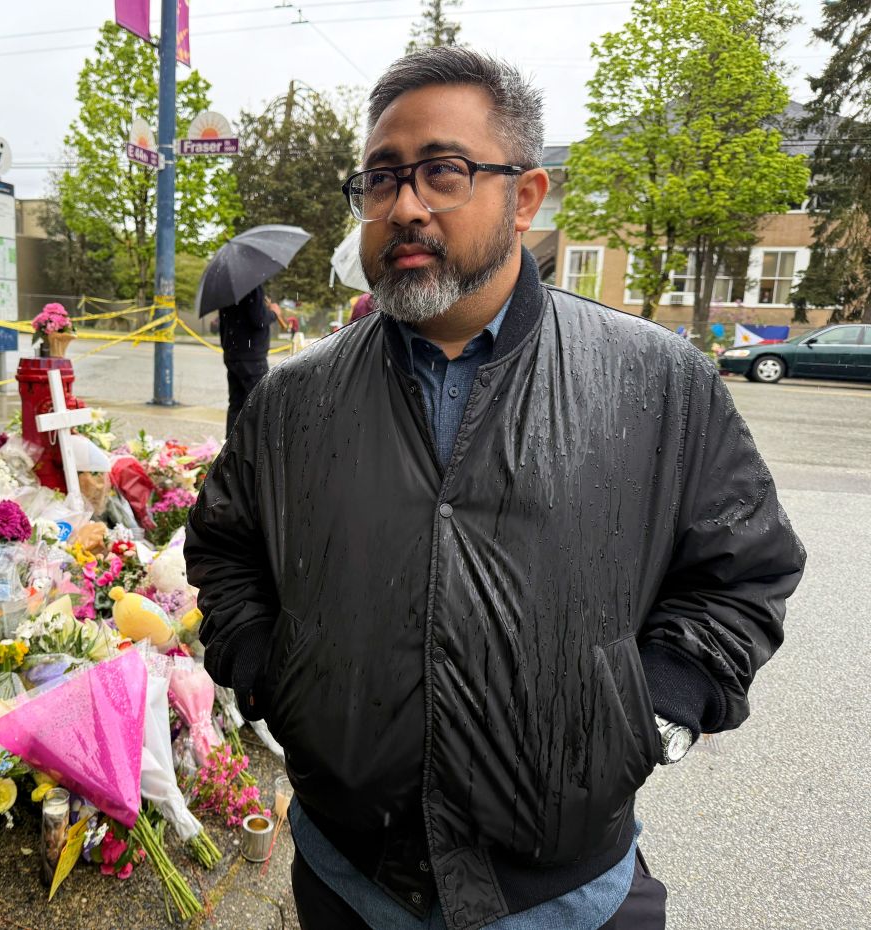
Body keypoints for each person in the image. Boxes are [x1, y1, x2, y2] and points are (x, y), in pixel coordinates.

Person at [186, 47, 804, 930]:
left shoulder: (654, 382)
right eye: (381, 179)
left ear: (523, 197)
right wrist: (270, 678)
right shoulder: (295, 399)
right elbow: (225, 550)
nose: (404, 206)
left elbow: (743, 569)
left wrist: (657, 708)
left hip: (568, 897)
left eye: (443, 172)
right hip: (348, 883)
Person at [218, 285, 285, 436]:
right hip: (251, 356)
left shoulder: (228, 289)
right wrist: (273, 312)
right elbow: (259, 320)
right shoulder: (252, 287)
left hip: (232, 353)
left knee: (237, 404)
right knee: (261, 405)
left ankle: (231, 450)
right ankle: (257, 452)